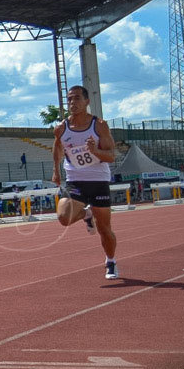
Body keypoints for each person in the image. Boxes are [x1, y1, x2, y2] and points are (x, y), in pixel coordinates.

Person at [51, 85, 119, 279]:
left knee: (104, 229)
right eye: (70, 99)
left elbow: (111, 156)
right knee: (64, 217)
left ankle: (111, 261)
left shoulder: (99, 125)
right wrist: (56, 171)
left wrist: (95, 151)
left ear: (87, 101)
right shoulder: (61, 128)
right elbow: (57, 148)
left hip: (98, 181)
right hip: (75, 180)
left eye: (77, 98)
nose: (73, 103)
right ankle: (86, 214)